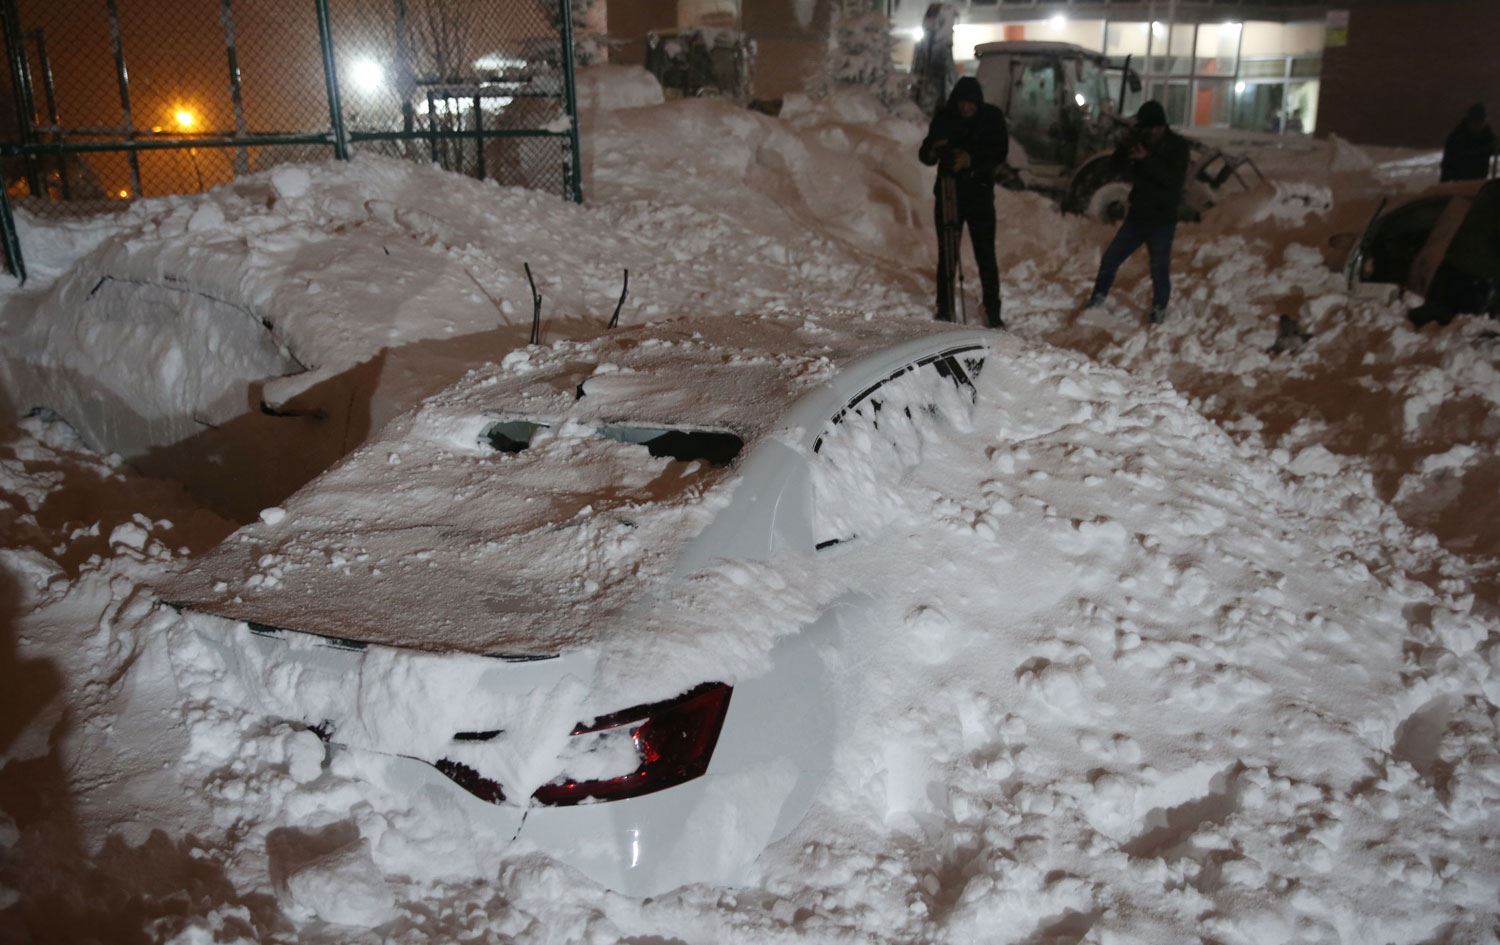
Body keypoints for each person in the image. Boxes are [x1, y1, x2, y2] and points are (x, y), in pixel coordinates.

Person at [1083, 100, 1191, 325]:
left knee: (1159, 269)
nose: (1148, 133)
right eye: (1144, 129)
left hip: (1162, 219)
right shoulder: (1141, 141)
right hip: (1138, 216)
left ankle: (1159, 311)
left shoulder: (1177, 147)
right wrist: (1124, 149)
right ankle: (1097, 298)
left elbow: (1173, 181)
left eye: (1151, 129)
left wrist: (1147, 159)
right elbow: (1115, 167)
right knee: (1110, 259)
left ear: (1161, 127)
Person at [918, 76, 1008, 328]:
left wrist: (971, 160)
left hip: (979, 194)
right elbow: (925, 155)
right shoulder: (945, 118)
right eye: (962, 103)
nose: (966, 108)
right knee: (947, 253)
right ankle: (945, 307)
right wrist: (934, 150)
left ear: (978, 103)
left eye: (971, 104)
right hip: (949, 194)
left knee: (985, 254)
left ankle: (992, 307)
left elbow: (1000, 152)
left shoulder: (991, 118)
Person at [1408, 179, 1500, 327]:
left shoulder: (1491, 191)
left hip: (1462, 271)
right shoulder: (1494, 195)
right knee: (1453, 328)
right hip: (1475, 278)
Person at [1440, 104, 1496, 183]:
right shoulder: (1456, 138)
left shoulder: (1488, 137)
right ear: (1469, 121)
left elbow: (1495, 149)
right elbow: (1447, 165)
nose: (1478, 126)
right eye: (1475, 122)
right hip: (1459, 184)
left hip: (1479, 183)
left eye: (1480, 122)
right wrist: (1444, 185)